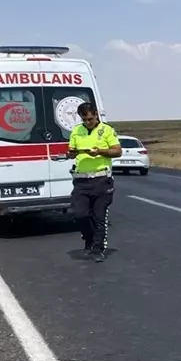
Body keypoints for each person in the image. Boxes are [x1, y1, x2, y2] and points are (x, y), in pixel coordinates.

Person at [66, 101, 122, 261]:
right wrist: (71, 153)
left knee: (99, 216)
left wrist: (100, 151)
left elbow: (117, 151)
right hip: (81, 180)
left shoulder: (107, 130)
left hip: (101, 180)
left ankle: (98, 249)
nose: (88, 122)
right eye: (84, 120)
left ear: (96, 114)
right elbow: (71, 150)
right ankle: (89, 238)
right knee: (79, 214)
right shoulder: (76, 131)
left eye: (90, 119)